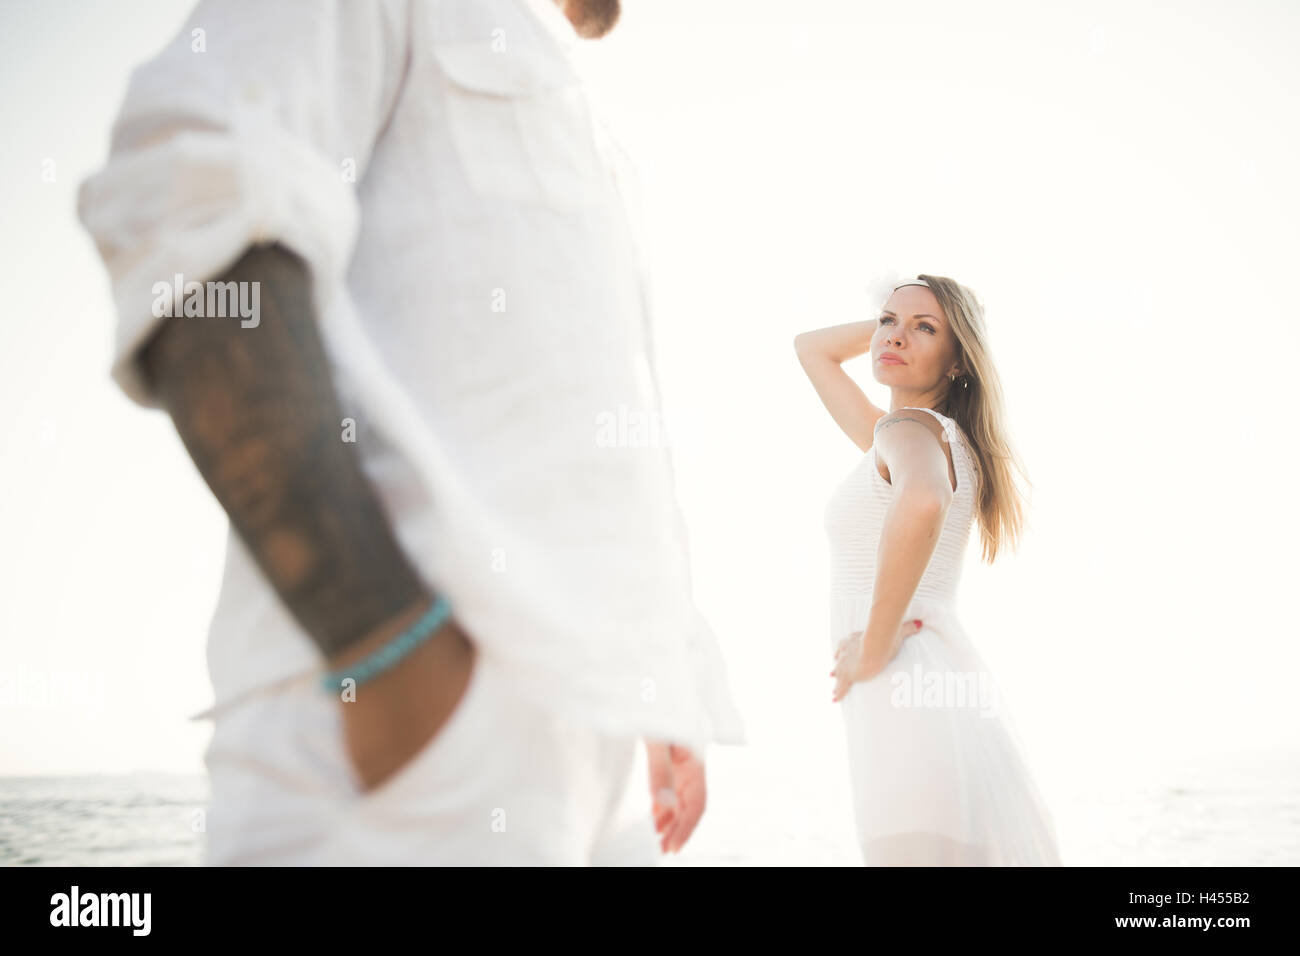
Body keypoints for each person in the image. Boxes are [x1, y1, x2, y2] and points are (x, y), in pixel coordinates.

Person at [77, 0, 745, 865]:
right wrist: (389, 659)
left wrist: (662, 687)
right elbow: (183, 197)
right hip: (405, 761)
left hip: (591, 765)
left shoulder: (586, 118)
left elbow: (582, 427)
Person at [795, 274, 1062, 865]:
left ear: (959, 359)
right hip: (933, 685)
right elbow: (809, 347)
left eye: (924, 329)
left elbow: (922, 501)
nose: (894, 337)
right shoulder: (930, 435)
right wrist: (905, 329)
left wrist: (875, 643)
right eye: (888, 321)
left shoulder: (906, 430)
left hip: (901, 682)